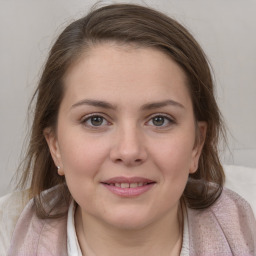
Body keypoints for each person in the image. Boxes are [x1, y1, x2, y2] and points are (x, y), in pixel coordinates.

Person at [0, 3, 255, 256]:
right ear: (55, 146)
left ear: (196, 144)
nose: (129, 150)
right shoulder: (7, 237)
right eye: (96, 120)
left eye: (159, 120)